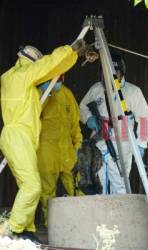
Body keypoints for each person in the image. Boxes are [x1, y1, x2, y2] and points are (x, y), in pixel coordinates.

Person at [0, 40, 84, 242]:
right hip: (18, 136)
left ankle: (26, 229)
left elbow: (32, 99)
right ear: (30, 63)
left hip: (23, 137)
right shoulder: (22, 75)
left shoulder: (18, 81)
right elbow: (49, 65)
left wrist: (45, 89)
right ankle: (13, 229)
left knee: (27, 185)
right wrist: (71, 51)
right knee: (33, 186)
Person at [80, 54, 148, 194]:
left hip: (123, 146)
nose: (110, 76)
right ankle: (102, 214)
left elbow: (144, 119)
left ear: (121, 72)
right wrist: (89, 119)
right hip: (99, 141)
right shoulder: (96, 89)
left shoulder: (133, 92)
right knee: (99, 184)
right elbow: (82, 106)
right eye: (106, 72)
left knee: (120, 185)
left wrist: (141, 143)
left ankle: (118, 214)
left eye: (114, 72)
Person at [37, 74, 82, 227]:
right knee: (47, 191)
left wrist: (77, 145)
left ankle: (81, 221)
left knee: (75, 187)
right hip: (46, 151)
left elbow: (75, 123)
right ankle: (51, 225)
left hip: (67, 151)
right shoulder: (40, 96)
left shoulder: (67, 94)